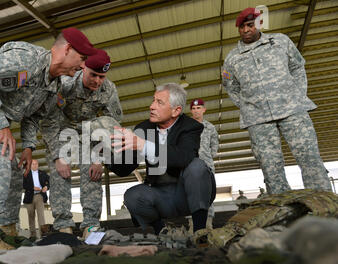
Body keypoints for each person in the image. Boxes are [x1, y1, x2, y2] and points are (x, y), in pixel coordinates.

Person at [0, 27, 97, 249]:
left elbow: (33, 117)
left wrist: (28, 148)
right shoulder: (26, 59)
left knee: (15, 172)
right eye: (81, 58)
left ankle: (6, 230)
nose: (83, 66)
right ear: (67, 49)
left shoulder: (53, 86)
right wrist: (0, 125)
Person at [222, 7, 332, 195]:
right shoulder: (231, 60)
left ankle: (324, 203)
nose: (246, 30)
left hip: (293, 110)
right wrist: (249, 107)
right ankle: (283, 210)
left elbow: (297, 66)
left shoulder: (281, 41)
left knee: (309, 157)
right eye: (241, 27)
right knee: (270, 166)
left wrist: (297, 95)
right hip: (258, 120)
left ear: (259, 23)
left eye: (250, 25)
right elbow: (230, 86)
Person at [108, 83, 216, 235]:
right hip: (161, 196)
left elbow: (183, 157)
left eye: (159, 102)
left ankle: (200, 232)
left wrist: (144, 145)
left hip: (186, 194)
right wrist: (108, 153)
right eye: (153, 100)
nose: (152, 106)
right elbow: (125, 168)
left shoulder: (190, 126)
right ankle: (162, 232)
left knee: (197, 166)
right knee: (132, 196)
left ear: (176, 110)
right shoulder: (144, 128)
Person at [40, 48, 123, 238]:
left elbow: (113, 124)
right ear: (83, 67)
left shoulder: (108, 89)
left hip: (90, 131)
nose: (97, 81)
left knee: (93, 173)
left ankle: (90, 227)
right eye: (93, 75)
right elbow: (49, 120)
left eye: (102, 77)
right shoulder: (65, 83)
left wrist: (98, 158)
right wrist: (57, 157)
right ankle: (63, 227)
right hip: (62, 129)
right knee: (60, 173)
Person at [189, 98, 219, 230]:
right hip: (190, 165)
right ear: (191, 111)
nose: (196, 111)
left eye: (198, 108)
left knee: (208, 193)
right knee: (190, 193)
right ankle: (192, 225)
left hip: (206, 165)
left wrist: (207, 158)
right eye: (194, 109)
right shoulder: (185, 127)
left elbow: (215, 146)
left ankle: (208, 224)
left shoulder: (210, 127)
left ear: (204, 110)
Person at [23, 159, 49, 240]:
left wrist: (46, 187)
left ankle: (43, 234)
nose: (35, 165)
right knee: (31, 216)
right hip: (29, 196)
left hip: (39, 196)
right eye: (33, 164)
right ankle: (33, 235)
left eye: (36, 164)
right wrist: (32, 187)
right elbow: (23, 185)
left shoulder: (43, 173)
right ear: (30, 165)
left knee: (41, 215)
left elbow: (49, 181)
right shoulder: (26, 174)